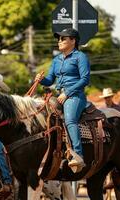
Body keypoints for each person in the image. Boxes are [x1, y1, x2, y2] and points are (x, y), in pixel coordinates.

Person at [35, 28, 90, 172]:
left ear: (73, 41)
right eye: (58, 39)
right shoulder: (56, 60)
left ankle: (78, 155)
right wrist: (41, 80)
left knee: (70, 120)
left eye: (63, 39)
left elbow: (85, 79)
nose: (59, 41)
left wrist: (67, 93)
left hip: (75, 96)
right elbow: (49, 81)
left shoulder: (80, 57)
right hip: (59, 96)